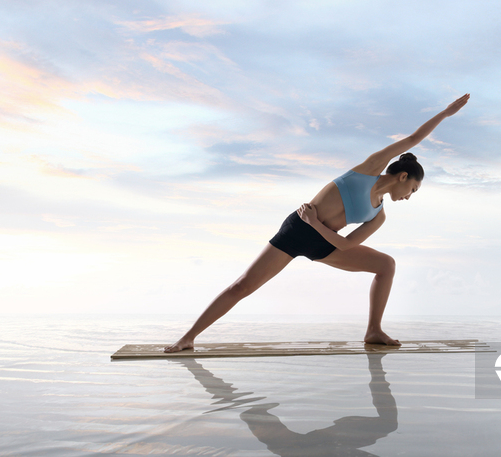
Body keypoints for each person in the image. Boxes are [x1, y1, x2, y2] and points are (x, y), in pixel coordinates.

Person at [164, 93, 470, 353]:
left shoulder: (379, 214)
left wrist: (316, 223)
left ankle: (374, 330)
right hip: (296, 230)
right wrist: (446, 113)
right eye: (413, 189)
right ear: (403, 176)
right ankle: (188, 338)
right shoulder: (368, 169)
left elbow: (348, 244)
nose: (410, 196)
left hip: (324, 240)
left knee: (386, 265)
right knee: (243, 285)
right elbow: (414, 138)